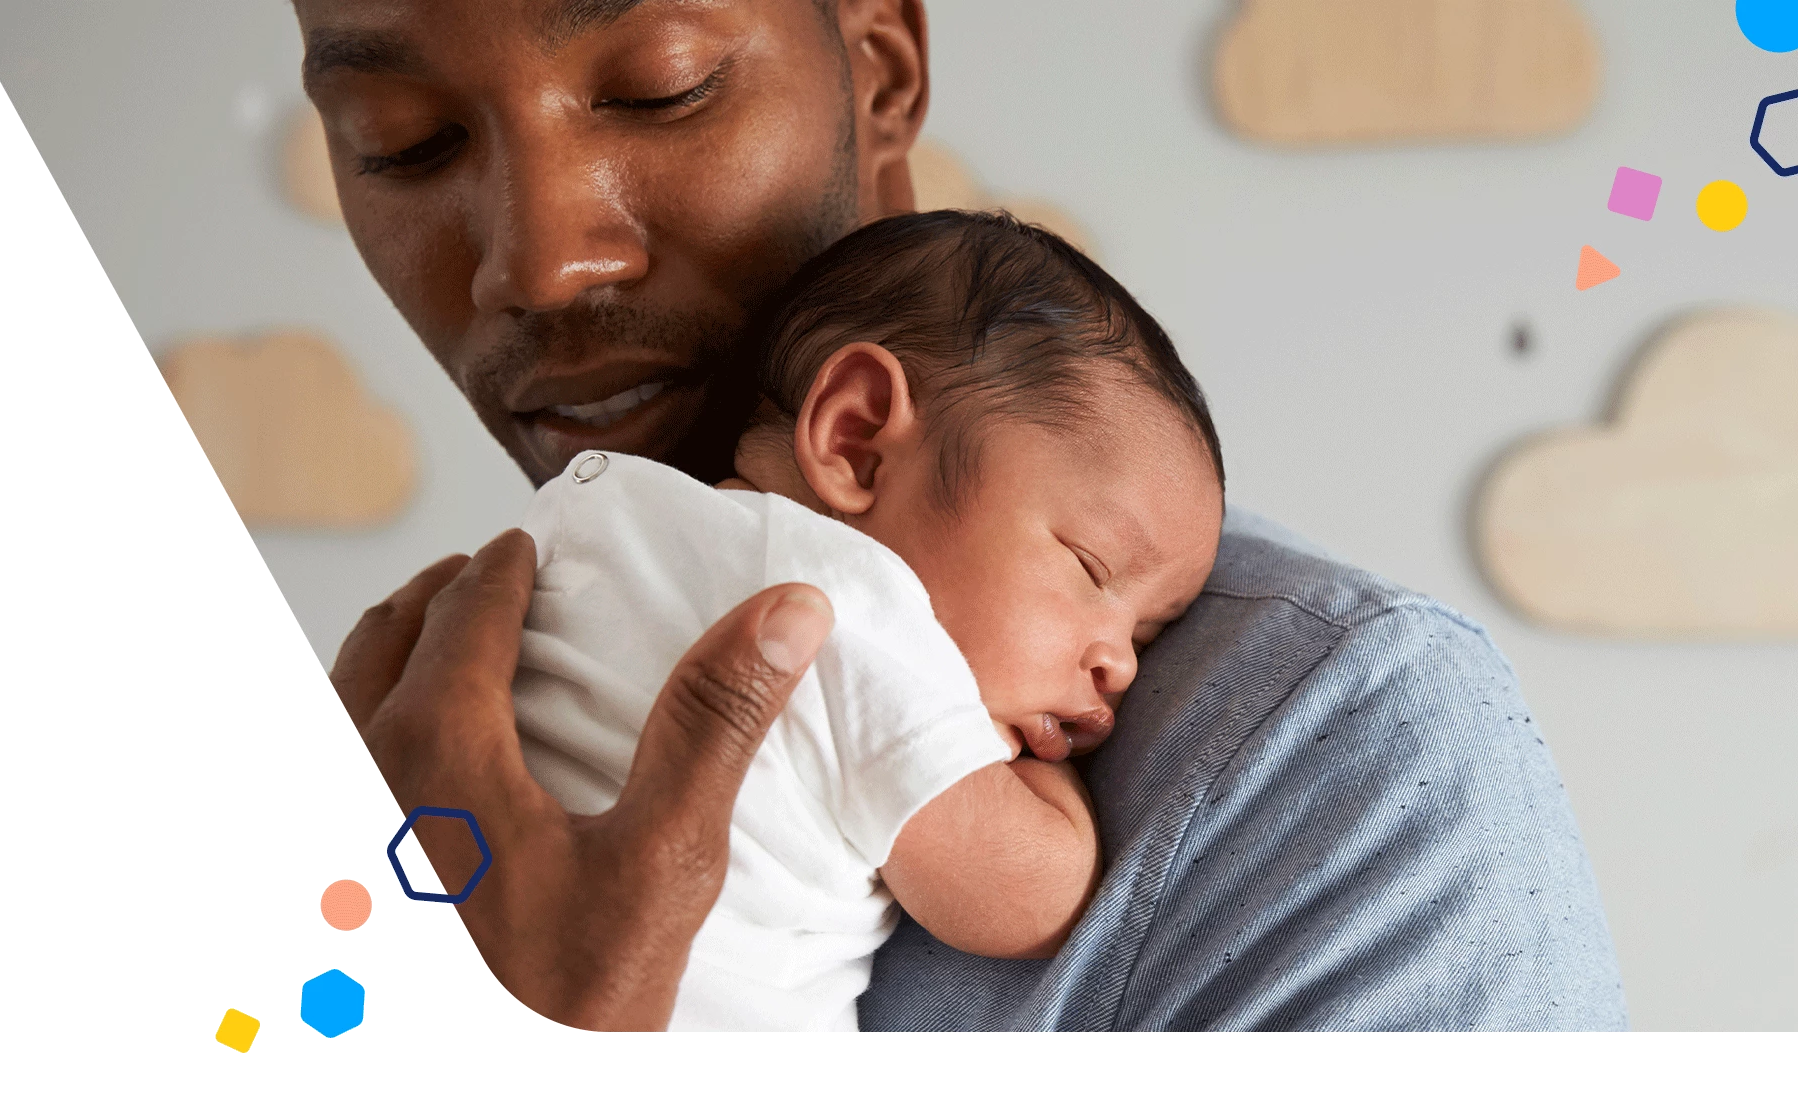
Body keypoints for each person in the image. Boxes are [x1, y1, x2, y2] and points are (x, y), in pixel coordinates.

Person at [307, 0, 1626, 1030]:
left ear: (880, 72)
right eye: (402, 141)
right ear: (854, 432)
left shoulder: (1338, 747)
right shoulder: (440, 692)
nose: (539, 262)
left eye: (661, 86)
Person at [514, 210, 1222, 1028]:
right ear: (857, 442)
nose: (1122, 667)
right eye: (1092, 567)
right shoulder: (853, 607)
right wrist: (1033, 772)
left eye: (1144, 636)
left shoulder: (596, 508)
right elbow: (1029, 901)